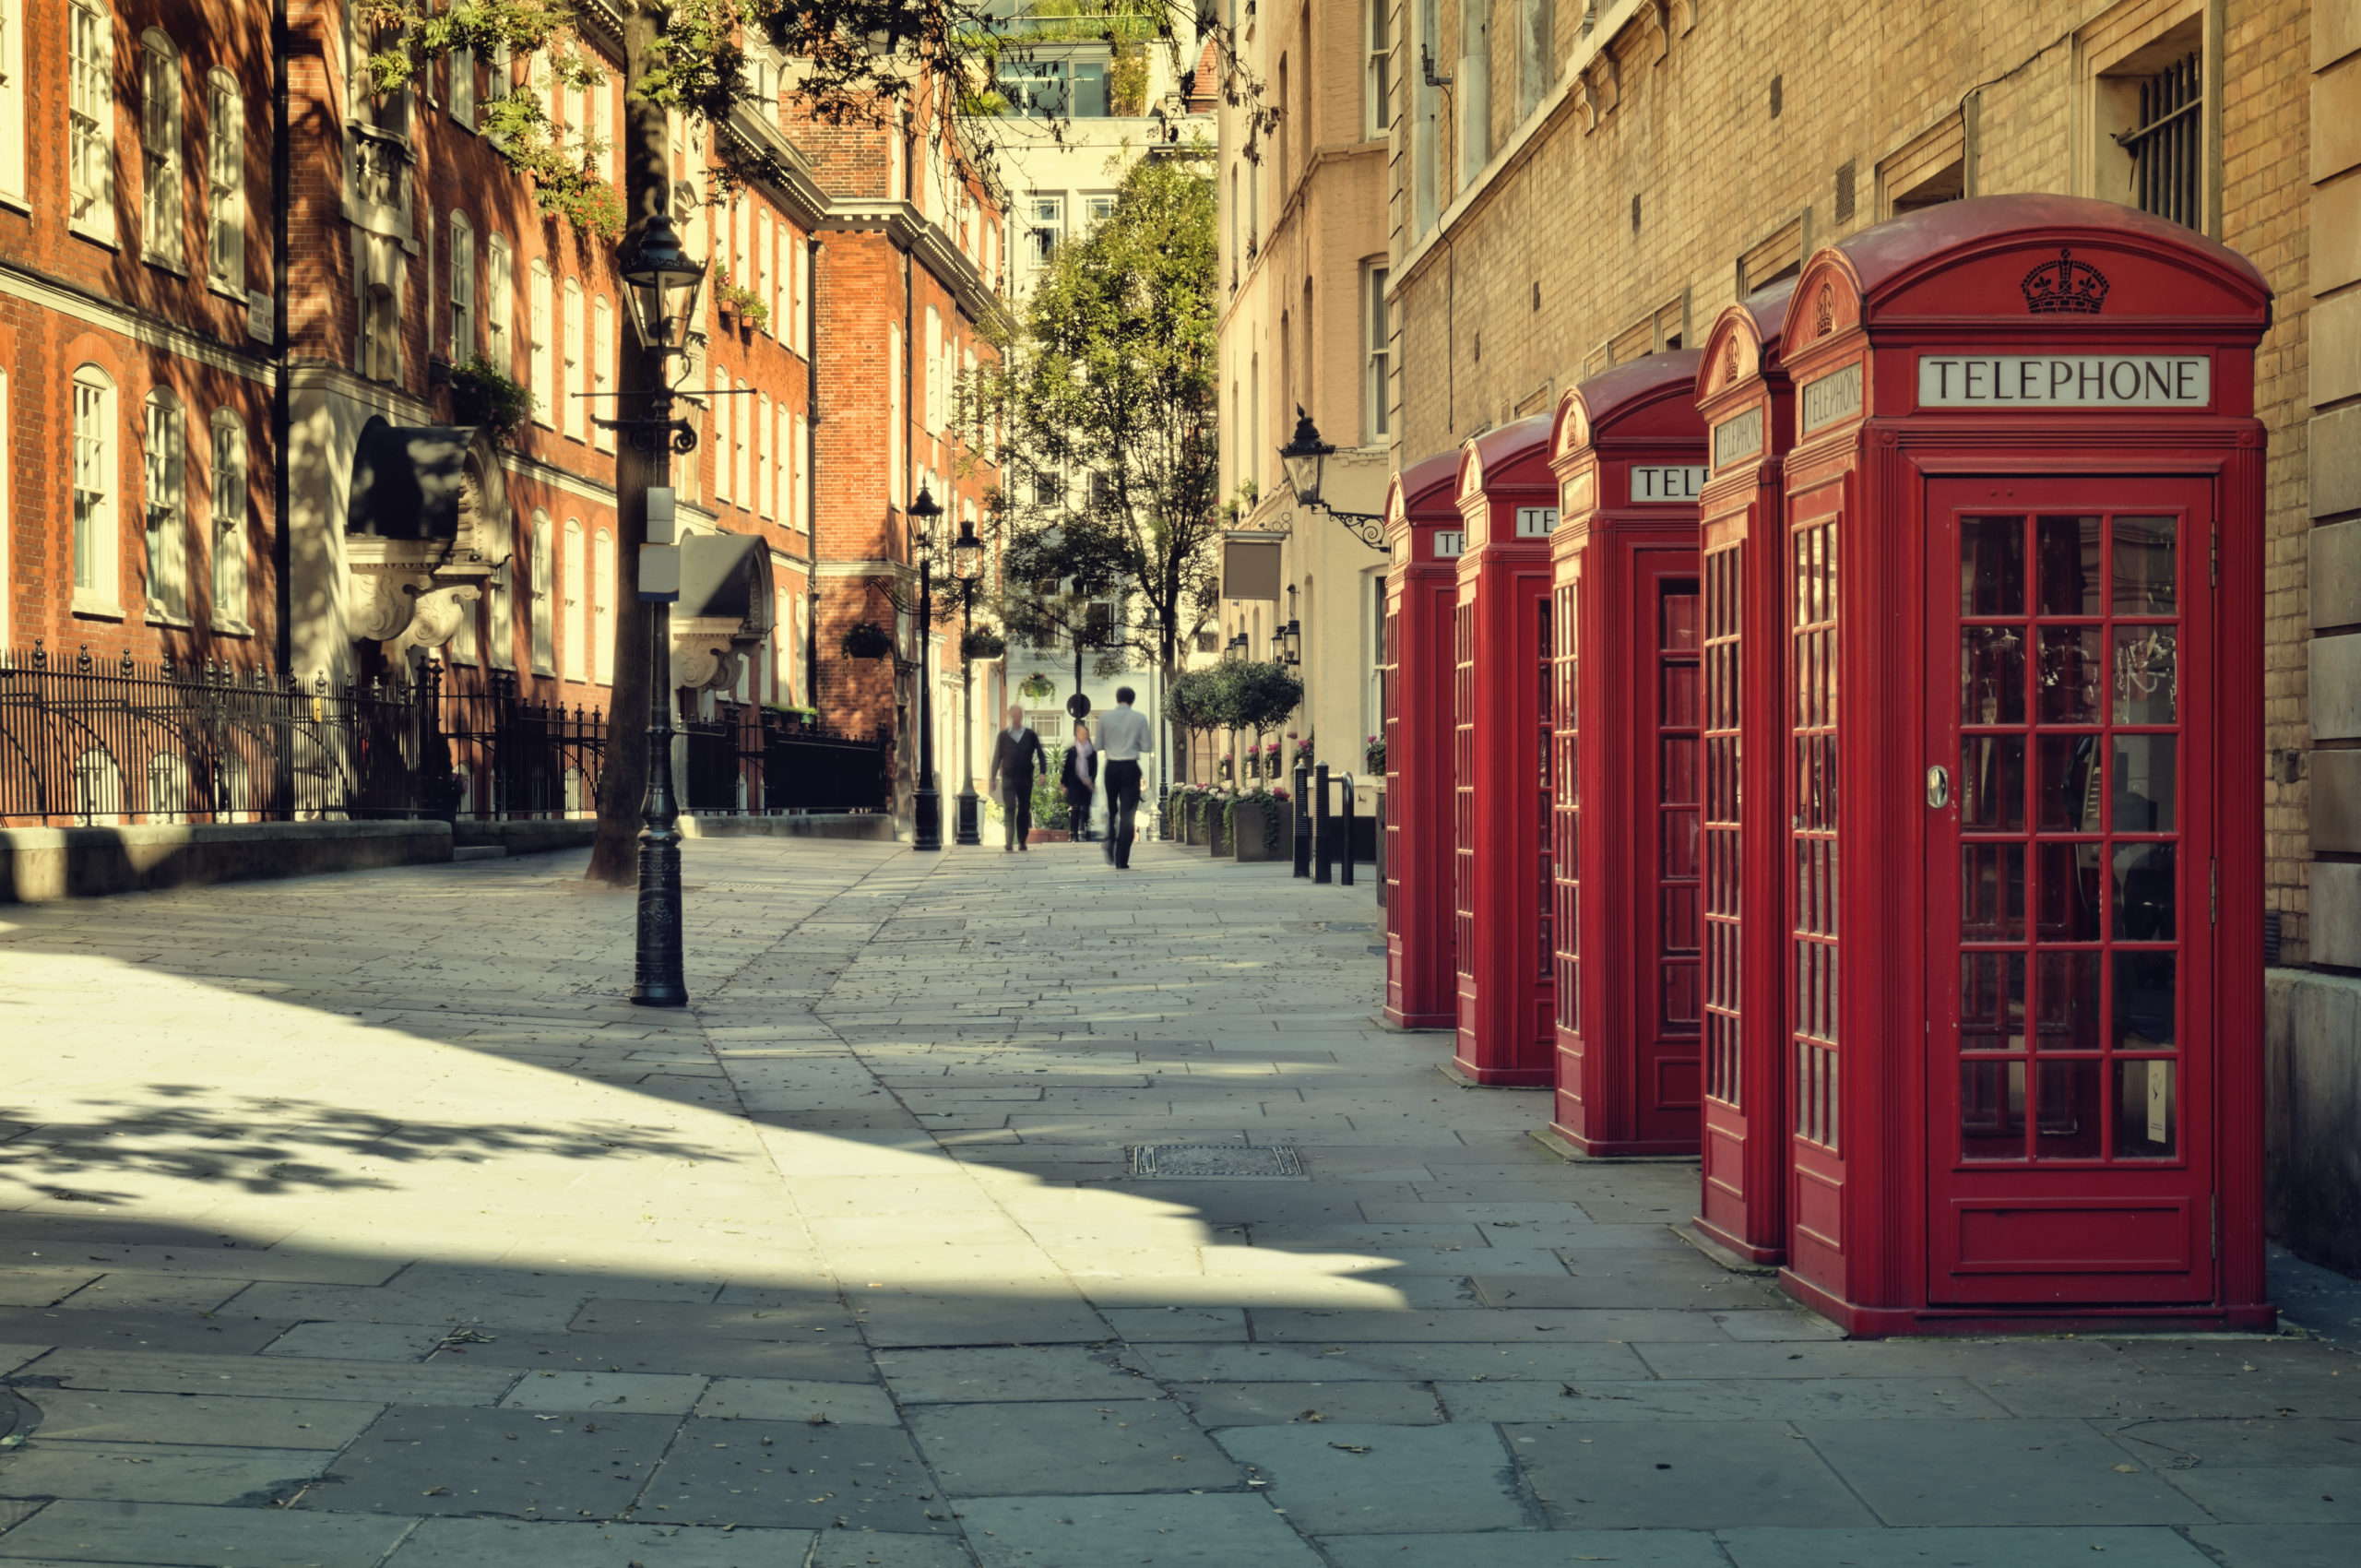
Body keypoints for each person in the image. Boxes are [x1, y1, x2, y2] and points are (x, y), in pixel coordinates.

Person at [1095, 686, 1154, 869]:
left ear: (1117, 698)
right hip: (1130, 767)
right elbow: (1146, 747)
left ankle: (1110, 838)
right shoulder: (1139, 718)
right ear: (1132, 700)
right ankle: (1122, 860)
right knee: (1128, 815)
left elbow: (1098, 745)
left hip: (1111, 767)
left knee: (1112, 809)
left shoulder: (1105, 718)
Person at [988, 704, 1046, 852]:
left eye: (1018, 716)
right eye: (1013, 716)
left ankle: (1021, 841)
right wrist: (992, 778)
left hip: (1025, 777)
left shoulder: (1030, 735)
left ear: (1022, 716)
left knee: (1024, 808)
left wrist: (1042, 772)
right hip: (1008, 776)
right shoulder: (1003, 736)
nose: (1015, 719)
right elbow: (997, 757)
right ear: (1009, 717)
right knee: (1010, 807)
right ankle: (1008, 841)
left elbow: (1040, 753)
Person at [1060, 718, 1099, 842]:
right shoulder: (1072, 751)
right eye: (1081, 733)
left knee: (1086, 808)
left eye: (1086, 734)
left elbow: (1094, 769)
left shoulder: (1092, 752)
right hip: (1074, 783)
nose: (1084, 736)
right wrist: (1063, 784)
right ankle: (1074, 834)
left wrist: (1091, 780)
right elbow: (1066, 768)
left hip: (1086, 784)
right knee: (1075, 807)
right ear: (1077, 734)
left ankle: (1086, 830)